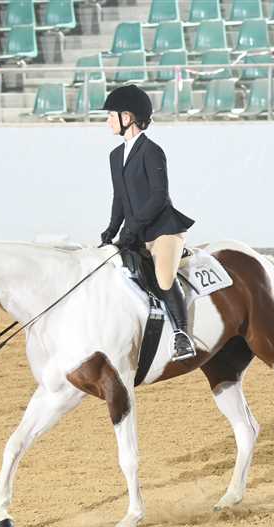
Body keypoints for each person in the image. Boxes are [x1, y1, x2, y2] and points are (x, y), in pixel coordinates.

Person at [98, 84, 198, 362]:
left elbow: (158, 197)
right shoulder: (115, 156)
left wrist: (132, 228)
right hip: (136, 231)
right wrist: (111, 229)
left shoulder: (152, 151)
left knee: (163, 277)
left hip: (163, 229)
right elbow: (120, 197)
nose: (107, 121)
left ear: (127, 117)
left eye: (111, 115)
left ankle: (182, 335)